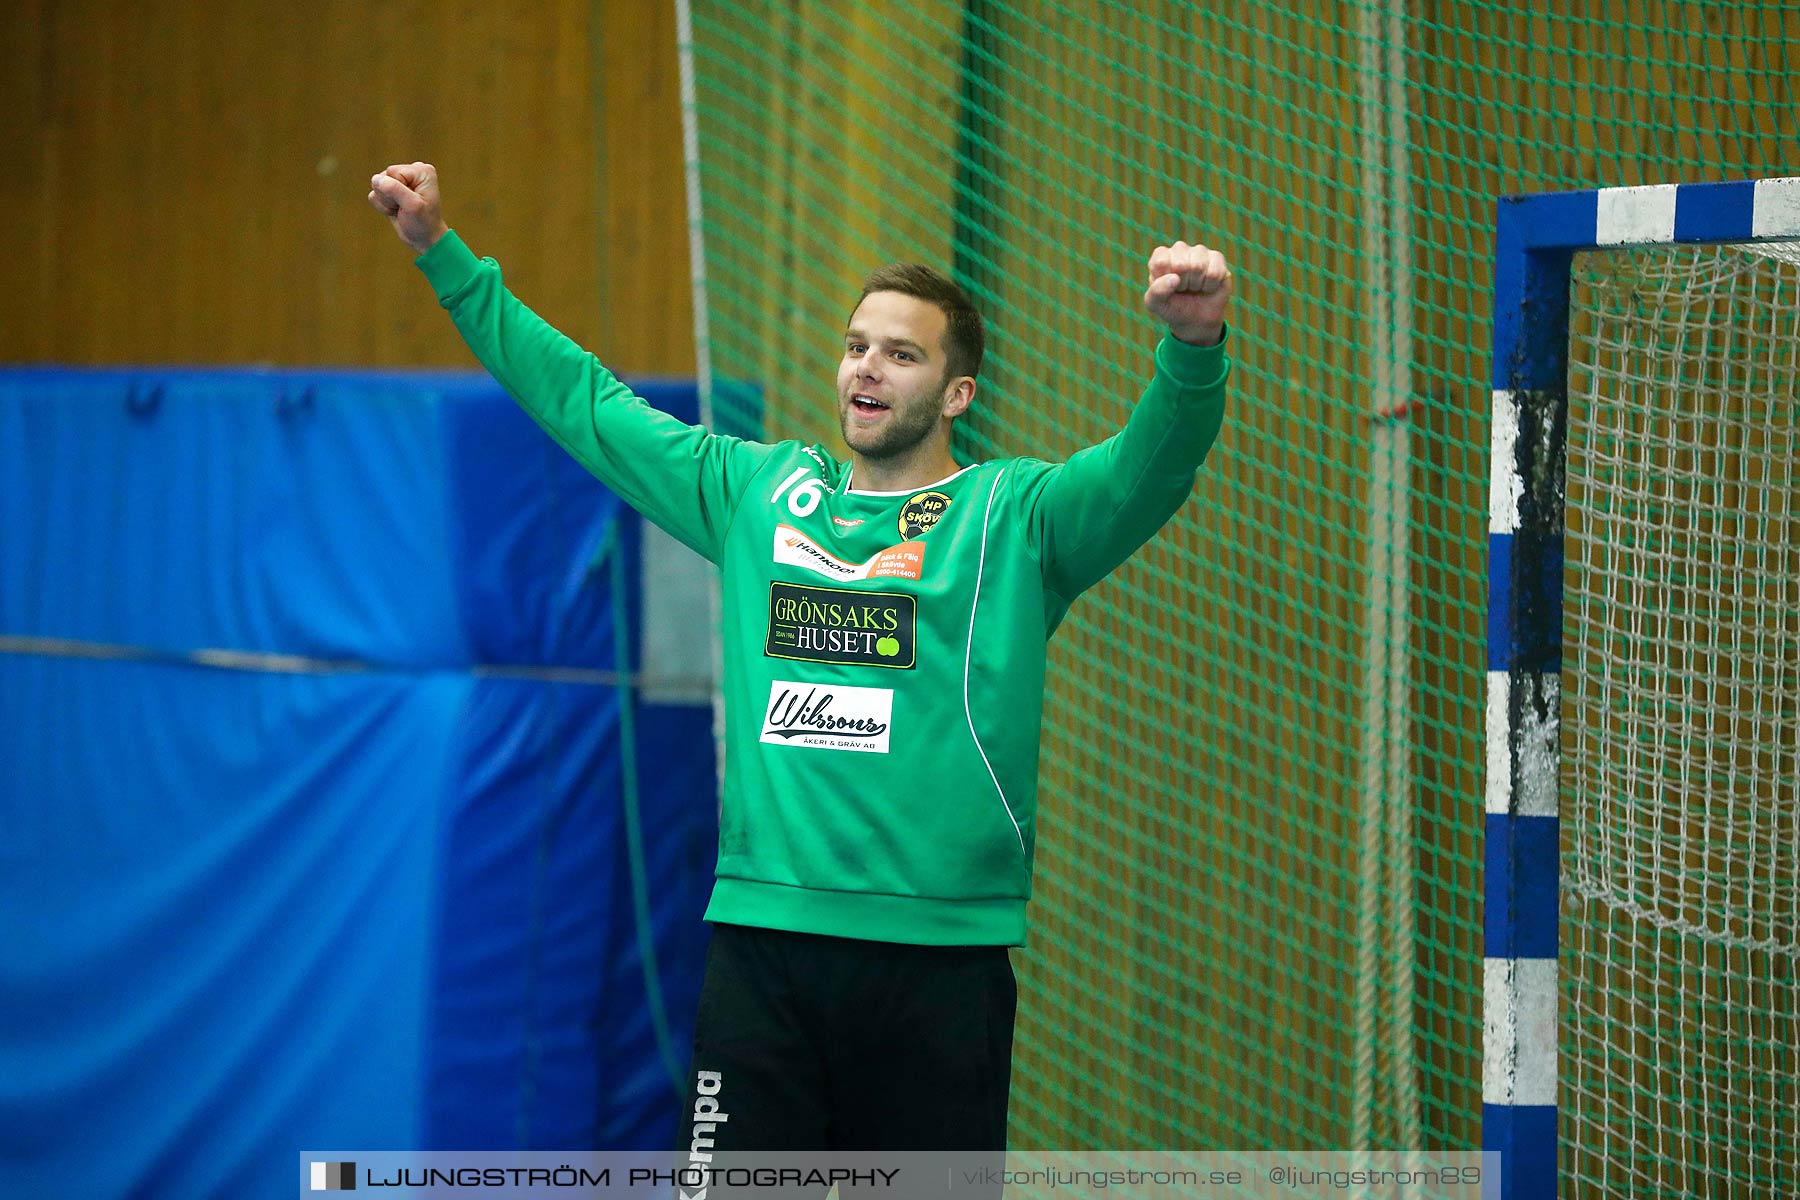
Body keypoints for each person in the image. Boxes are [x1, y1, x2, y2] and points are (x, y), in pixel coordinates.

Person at [369, 162, 1233, 1162]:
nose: (867, 369)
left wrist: (1193, 344)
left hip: (940, 965)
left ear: (958, 391)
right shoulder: (758, 494)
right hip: (763, 959)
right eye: (857, 346)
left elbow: (1150, 466)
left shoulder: (1016, 519)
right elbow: (582, 402)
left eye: (901, 355)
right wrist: (444, 256)